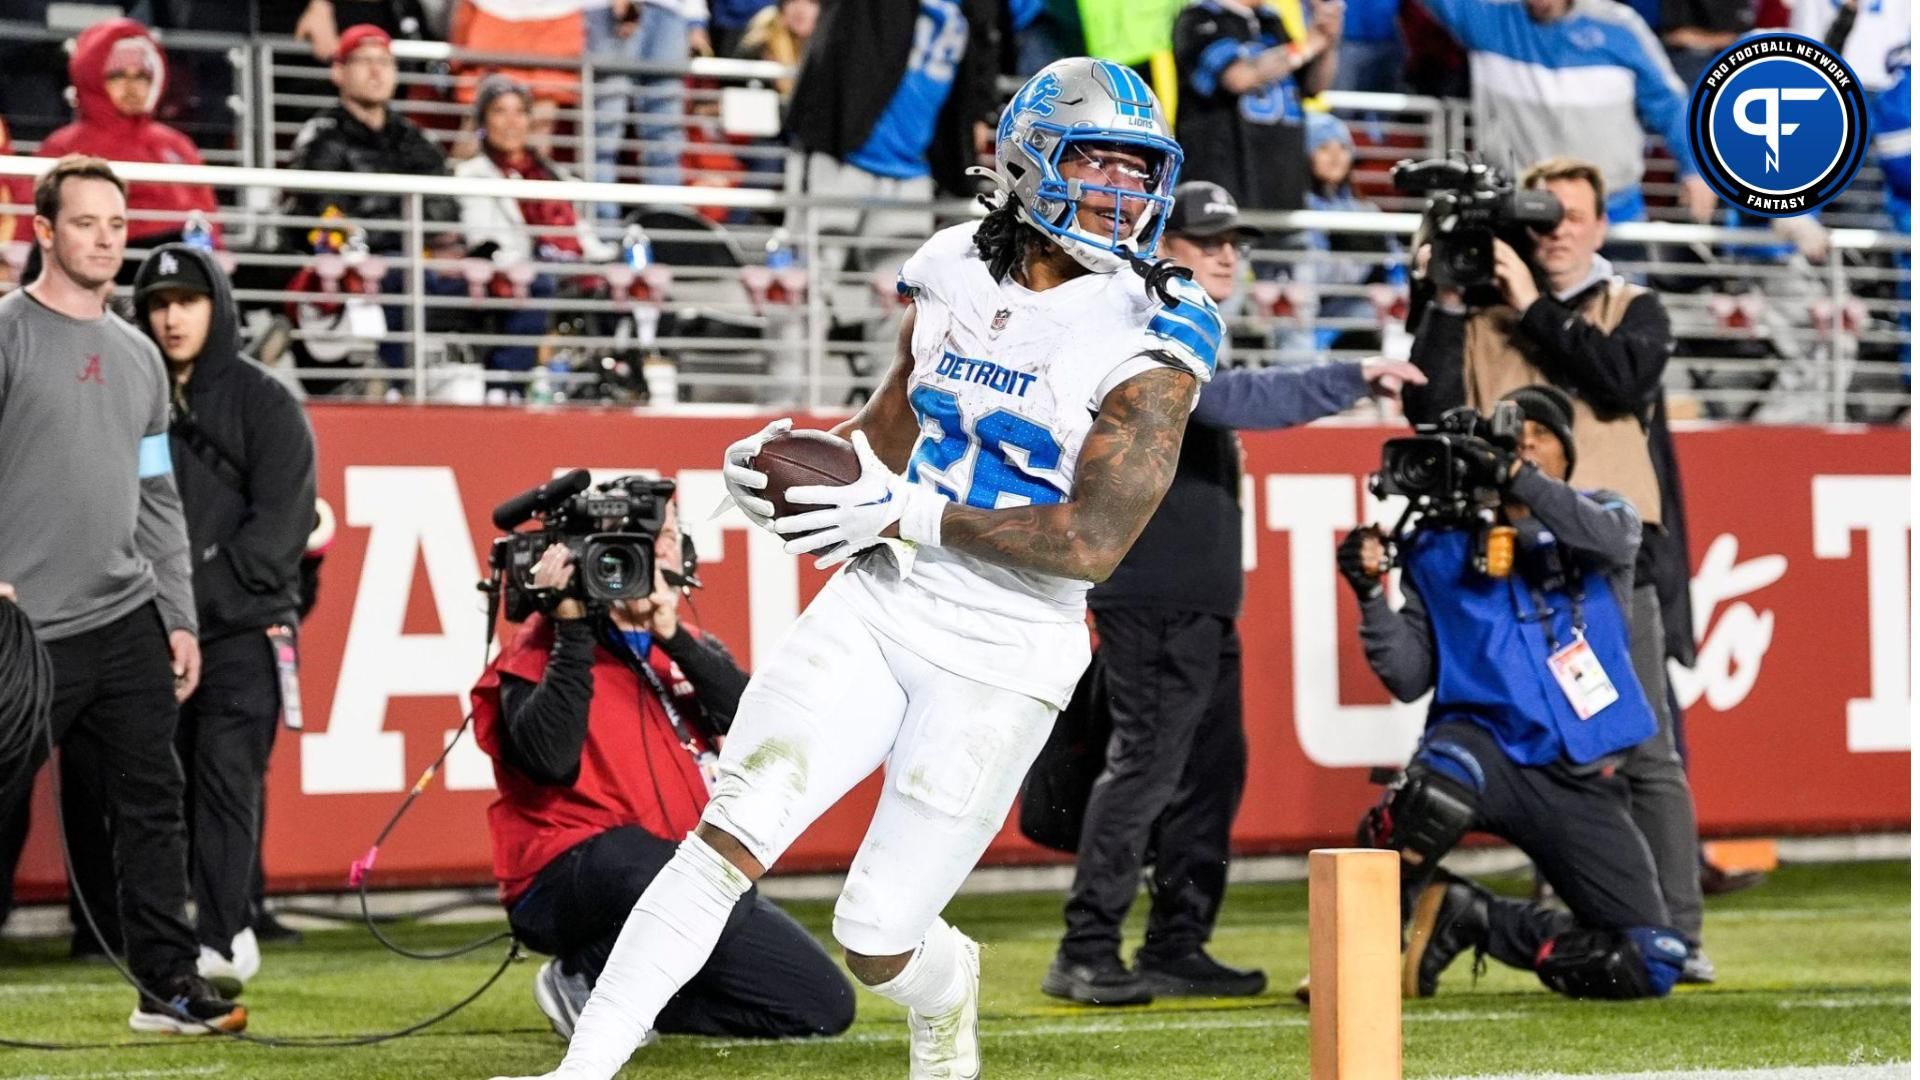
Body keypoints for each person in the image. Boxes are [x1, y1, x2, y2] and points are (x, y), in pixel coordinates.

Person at [488, 56, 1220, 1080]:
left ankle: (945, 982)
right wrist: (784, 466)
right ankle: (583, 1070)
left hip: (1007, 642)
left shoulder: (1156, 331)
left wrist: (907, 508)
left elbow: (1094, 541)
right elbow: (886, 431)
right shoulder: (956, 263)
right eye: (1099, 163)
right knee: (726, 834)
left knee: (876, 935)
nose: (1125, 194)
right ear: (1027, 160)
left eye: (1141, 173)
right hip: (884, 597)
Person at [1042, 180, 1424, 1005]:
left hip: (1194, 597)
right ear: (1158, 244)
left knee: (1208, 773)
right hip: (1152, 593)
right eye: (1206, 237)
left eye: (1233, 241)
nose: (1226, 253)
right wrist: (1355, 374)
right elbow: (1239, 400)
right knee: (1147, 770)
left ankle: (1176, 944)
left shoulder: (1182, 325)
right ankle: (1086, 948)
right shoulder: (1144, 329)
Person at [1403, 155, 1712, 983]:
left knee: (1643, 753)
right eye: (1541, 219)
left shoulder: (1631, 305)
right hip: (1502, 565)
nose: (1558, 231)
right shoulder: (1481, 312)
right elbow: (1425, 407)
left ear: (1602, 225)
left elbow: (1620, 378)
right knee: (1530, 748)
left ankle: (1682, 933)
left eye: (1572, 215)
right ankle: (1561, 916)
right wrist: (1438, 293)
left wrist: (1532, 306)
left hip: (1611, 564)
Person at [1338, 386, 1690, 1002]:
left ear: (1567, 455)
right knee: (1431, 794)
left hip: (1579, 771)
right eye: (1510, 439)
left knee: (1648, 960)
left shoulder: (1606, 515)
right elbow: (1408, 675)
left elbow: (1608, 542)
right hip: (1483, 752)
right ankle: (1355, 960)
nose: (1523, 445)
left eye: (1539, 437)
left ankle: (1474, 918)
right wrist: (1371, 597)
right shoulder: (1437, 544)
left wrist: (1518, 480)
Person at [0, 155, 244, 1034]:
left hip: (125, 620)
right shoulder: (6, 335)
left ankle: (167, 989)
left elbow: (155, 497)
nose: (104, 240)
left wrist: (178, 613)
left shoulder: (140, 357)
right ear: (42, 231)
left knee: (152, 809)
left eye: (115, 224)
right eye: (84, 223)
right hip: (20, 632)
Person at [471, 501, 854, 1042]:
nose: (669, 547)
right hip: (564, 877)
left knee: (820, 1004)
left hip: (678, 883)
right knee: (693, 874)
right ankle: (585, 969)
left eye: (674, 534)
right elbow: (550, 762)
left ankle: (615, 998)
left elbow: (762, 728)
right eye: (655, 536)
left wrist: (671, 635)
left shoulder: (683, 647)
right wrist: (573, 627)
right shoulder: (540, 647)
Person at [128, 242, 318, 995]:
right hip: (148, 630)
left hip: (242, 630)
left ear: (217, 307)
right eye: (158, 304)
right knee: (152, 790)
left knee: (226, 779)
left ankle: (223, 929)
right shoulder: (130, 397)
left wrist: (197, 600)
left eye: (187, 301)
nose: (172, 317)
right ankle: (169, 937)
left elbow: (283, 523)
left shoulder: (264, 401)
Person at [1415, 0, 1716, 222]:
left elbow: (1669, 103)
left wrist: (1695, 167)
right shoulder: (1486, 20)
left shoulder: (1620, 27)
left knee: (1621, 306)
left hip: (1613, 210)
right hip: (1523, 209)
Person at [783, 0, 1000, 272]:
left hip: (912, 168)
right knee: (808, 281)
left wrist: (979, 111)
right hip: (842, 151)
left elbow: (984, 50)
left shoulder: (972, 8)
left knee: (899, 292)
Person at [456, 75, 617, 376]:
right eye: (500, 111)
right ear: (483, 120)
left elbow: (581, 235)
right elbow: (483, 240)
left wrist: (609, 260)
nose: (511, 122)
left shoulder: (552, 173)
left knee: (625, 283)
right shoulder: (471, 174)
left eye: (519, 112)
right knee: (537, 286)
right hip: (515, 274)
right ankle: (511, 390)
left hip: (565, 271)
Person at [36, 19, 222, 253]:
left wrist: (216, 253)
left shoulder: (176, 144)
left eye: (142, 76)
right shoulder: (64, 146)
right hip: (97, 260)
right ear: (92, 76)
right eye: (118, 75)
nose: (132, 87)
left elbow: (206, 212)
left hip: (176, 264)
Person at [283, 24, 461, 255]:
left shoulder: (415, 138)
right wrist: (396, 230)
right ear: (338, 71)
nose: (376, 71)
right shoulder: (320, 138)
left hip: (413, 261)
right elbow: (322, 214)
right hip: (350, 266)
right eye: (364, 61)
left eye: (384, 62)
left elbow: (445, 210)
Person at [1171, 0, 1344, 215]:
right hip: (1224, 190)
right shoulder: (1199, 18)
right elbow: (1238, 77)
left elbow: (1314, 85)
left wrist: (1328, 42)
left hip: (1283, 191)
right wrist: (1308, 45)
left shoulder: (1270, 20)